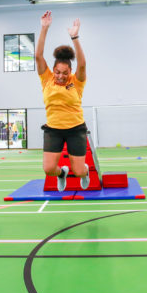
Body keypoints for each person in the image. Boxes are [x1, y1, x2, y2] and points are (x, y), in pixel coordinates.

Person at [35, 10, 89, 192]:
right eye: (58, 72)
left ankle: (85, 172)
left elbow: (82, 64)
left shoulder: (77, 81)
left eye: (65, 73)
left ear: (70, 71)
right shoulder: (47, 78)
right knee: (49, 169)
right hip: (53, 129)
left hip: (76, 129)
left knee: (79, 171)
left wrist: (75, 37)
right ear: (53, 69)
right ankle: (62, 174)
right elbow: (38, 56)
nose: (60, 76)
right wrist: (44, 28)